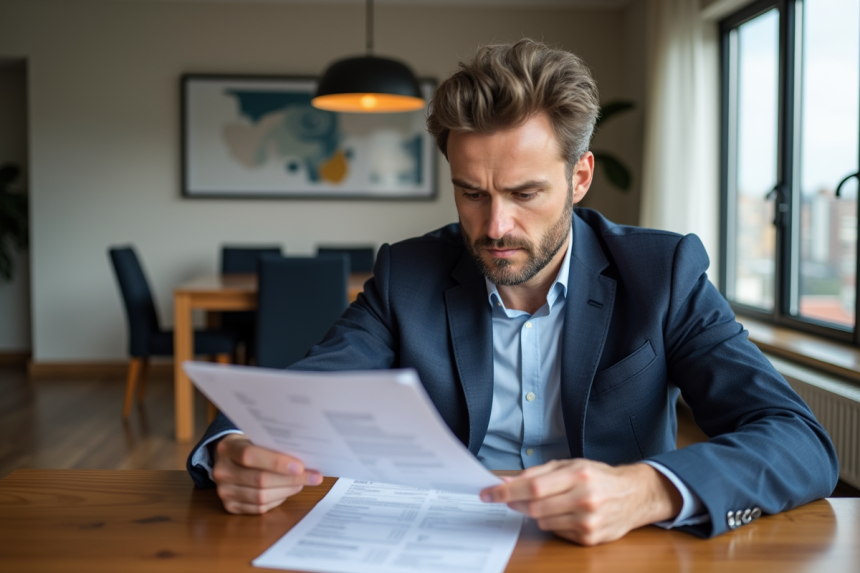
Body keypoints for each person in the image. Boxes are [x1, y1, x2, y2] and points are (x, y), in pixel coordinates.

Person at [187, 39, 838, 545]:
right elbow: (298, 393)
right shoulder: (408, 273)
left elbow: (797, 439)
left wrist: (646, 491)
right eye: (472, 193)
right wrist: (234, 448)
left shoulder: (661, 272)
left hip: (615, 551)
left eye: (525, 193)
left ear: (579, 177)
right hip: (435, 545)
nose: (495, 226)